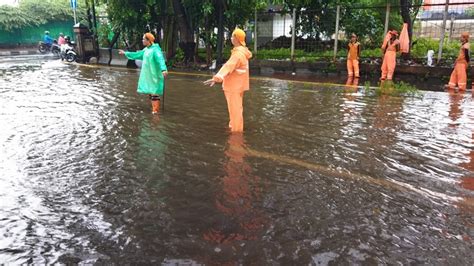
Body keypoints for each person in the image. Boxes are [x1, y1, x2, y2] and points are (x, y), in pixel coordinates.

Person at [203, 28, 252, 133]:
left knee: (235, 111)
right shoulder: (243, 53)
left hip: (233, 87)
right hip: (238, 86)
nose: (231, 38)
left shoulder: (238, 54)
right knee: (236, 109)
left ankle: (236, 134)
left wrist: (216, 78)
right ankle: (233, 127)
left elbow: (228, 67)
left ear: (237, 39)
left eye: (232, 36)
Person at [119, 32, 168, 114]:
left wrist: (163, 69)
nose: (142, 40)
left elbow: (160, 59)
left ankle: (155, 112)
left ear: (148, 40)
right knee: (150, 90)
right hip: (148, 74)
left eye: (143, 39)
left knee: (154, 91)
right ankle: (154, 108)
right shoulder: (146, 49)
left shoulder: (155, 50)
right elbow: (137, 54)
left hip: (154, 74)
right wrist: (125, 53)